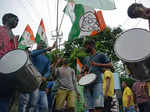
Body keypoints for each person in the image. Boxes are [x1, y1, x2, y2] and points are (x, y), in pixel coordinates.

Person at [18, 40, 56, 112]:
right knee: (24, 102)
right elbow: (32, 55)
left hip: (37, 83)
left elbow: (48, 70)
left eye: (41, 45)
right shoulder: (34, 52)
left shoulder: (47, 58)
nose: (39, 46)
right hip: (28, 80)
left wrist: (45, 76)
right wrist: (46, 49)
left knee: (33, 104)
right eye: (39, 44)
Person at [83, 39, 112, 112]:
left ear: (91, 45)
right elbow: (85, 70)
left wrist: (97, 64)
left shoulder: (100, 55)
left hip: (97, 82)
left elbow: (110, 65)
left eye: (86, 46)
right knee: (90, 107)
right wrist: (84, 71)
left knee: (98, 106)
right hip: (87, 84)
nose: (85, 48)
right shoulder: (87, 58)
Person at [0, 13, 19, 112]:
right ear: (7, 18)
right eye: (15, 20)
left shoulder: (15, 38)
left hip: (9, 73)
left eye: (18, 21)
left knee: (5, 99)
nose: (17, 22)